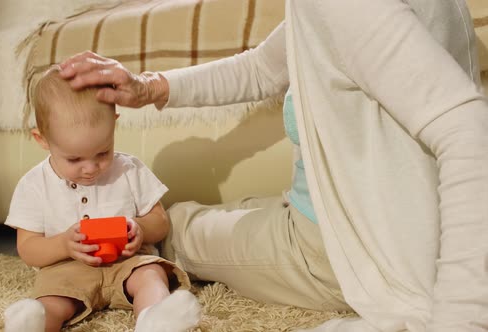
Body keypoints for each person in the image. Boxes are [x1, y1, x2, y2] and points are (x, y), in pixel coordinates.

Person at [57, 0, 488, 331]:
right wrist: (147, 87)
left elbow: (470, 129)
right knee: (230, 212)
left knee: (177, 226)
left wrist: (460, 319)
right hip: (371, 219)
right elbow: (265, 67)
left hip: (350, 249)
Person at [2, 67, 201, 332]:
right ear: (42, 140)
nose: (91, 168)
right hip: (67, 268)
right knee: (53, 298)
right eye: (74, 159)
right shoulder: (33, 185)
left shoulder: (130, 170)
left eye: (102, 152)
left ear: (114, 125)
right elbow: (28, 249)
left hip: (127, 263)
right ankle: (33, 324)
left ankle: (155, 320)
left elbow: (160, 222)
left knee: (151, 275)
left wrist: (139, 229)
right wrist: (64, 244)